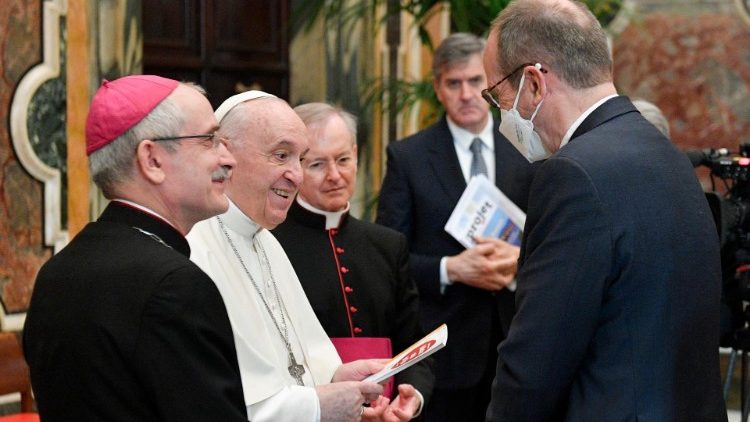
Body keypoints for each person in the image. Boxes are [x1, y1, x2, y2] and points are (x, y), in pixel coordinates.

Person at [482, 1, 726, 420]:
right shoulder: (666, 154)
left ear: (534, 83)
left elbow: (536, 363)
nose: (499, 112)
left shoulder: (572, 175)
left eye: (497, 93)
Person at [23, 75, 248, 420]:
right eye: (210, 140)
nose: (228, 159)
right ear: (152, 160)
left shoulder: (57, 270)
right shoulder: (174, 286)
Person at [187, 91, 384, 422]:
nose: (297, 175)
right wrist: (319, 404)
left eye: (300, 158)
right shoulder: (194, 249)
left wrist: (335, 377)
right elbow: (223, 401)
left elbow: (297, 363)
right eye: (281, 156)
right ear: (226, 154)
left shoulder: (266, 241)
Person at [375, 33, 536, 422]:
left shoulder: (531, 149)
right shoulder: (408, 157)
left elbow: (555, 240)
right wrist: (451, 269)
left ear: (493, 86)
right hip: (443, 354)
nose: (466, 94)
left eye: (475, 81)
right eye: (453, 83)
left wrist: (519, 260)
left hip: (517, 345)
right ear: (437, 88)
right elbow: (387, 260)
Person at [272, 102, 435, 421]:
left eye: (344, 160)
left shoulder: (387, 244)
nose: (335, 175)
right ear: (293, 168)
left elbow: (413, 342)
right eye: (317, 164)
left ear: (357, 156)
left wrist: (411, 396)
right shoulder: (271, 244)